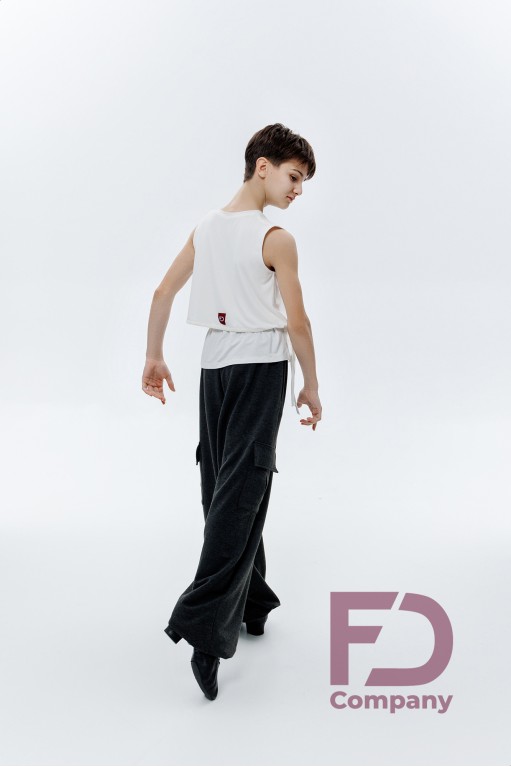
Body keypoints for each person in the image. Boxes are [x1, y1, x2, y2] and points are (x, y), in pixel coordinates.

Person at [142, 122, 322, 700]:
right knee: (241, 490)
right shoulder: (276, 238)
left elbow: (162, 293)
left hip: (214, 369)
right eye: (294, 176)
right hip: (260, 371)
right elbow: (298, 321)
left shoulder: (206, 229)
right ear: (262, 166)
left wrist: (153, 356)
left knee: (225, 485)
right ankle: (203, 627)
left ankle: (253, 602)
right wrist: (311, 385)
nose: (298, 190)